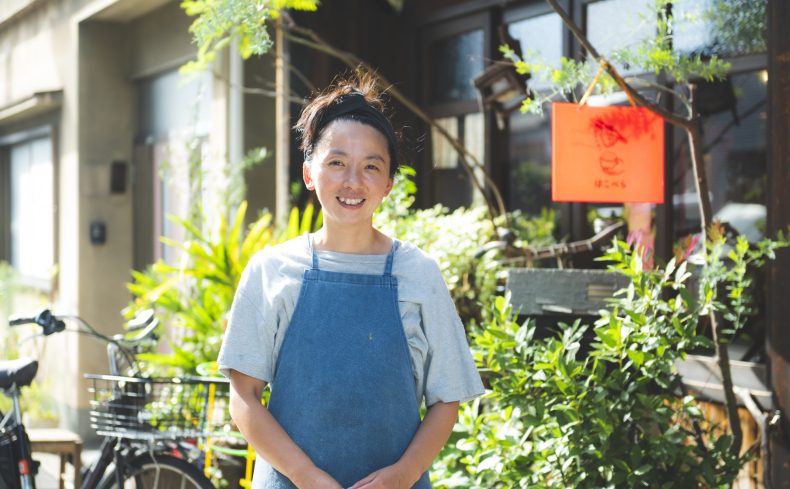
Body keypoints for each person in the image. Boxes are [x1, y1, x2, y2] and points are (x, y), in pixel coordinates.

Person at [217, 73, 484, 489]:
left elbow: (446, 398)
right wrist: (305, 475)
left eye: (371, 167)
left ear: (389, 183)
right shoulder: (270, 270)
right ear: (309, 173)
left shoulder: (419, 273)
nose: (353, 182)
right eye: (336, 163)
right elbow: (243, 397)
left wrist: (405, 473)